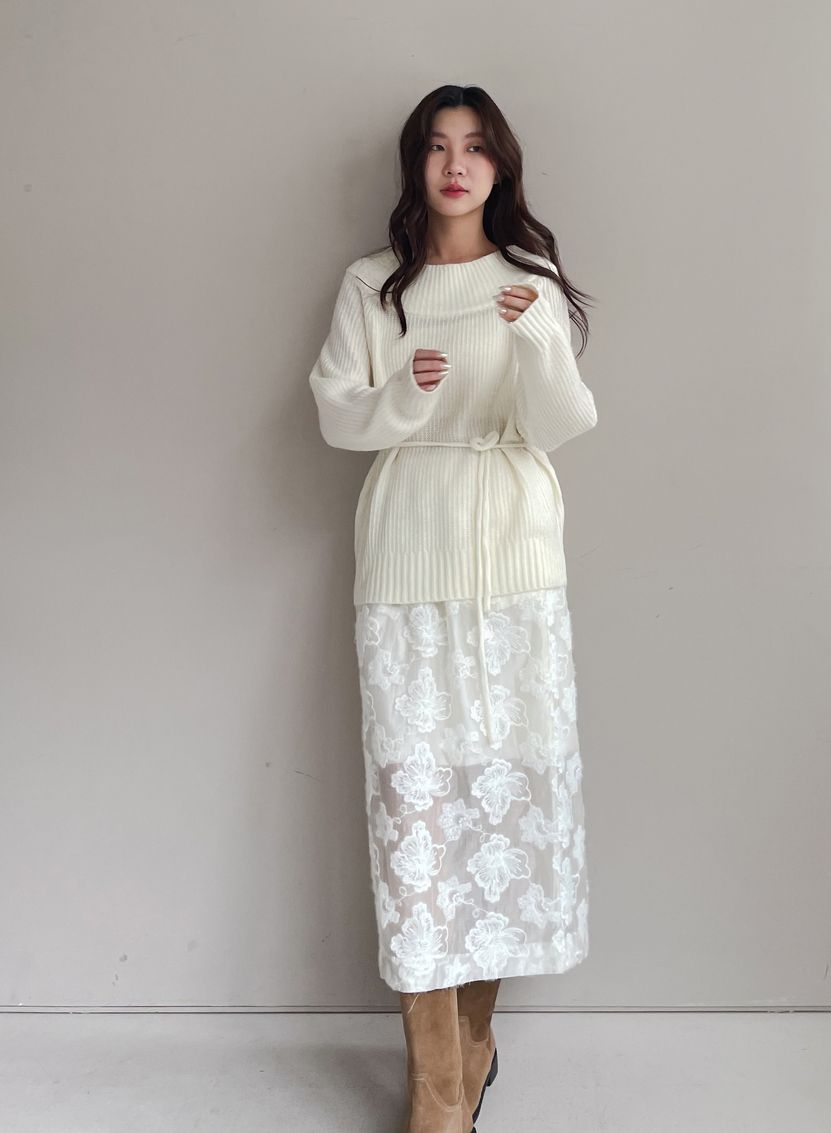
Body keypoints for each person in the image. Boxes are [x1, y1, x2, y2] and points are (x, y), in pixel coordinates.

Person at [308, 83, 598, 1133]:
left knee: (505, 798)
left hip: (514, 551)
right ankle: (437, 1084)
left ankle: (471, 1048)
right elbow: (336, 411)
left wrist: (540, 340)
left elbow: (562, 421)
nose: (455, 164)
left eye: (475, 147)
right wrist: (404, 398)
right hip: (407, 546)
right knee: (418, 808)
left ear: (500, 166)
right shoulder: (374, 284)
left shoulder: (530, 281)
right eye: (437, 146)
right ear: (416, 166)